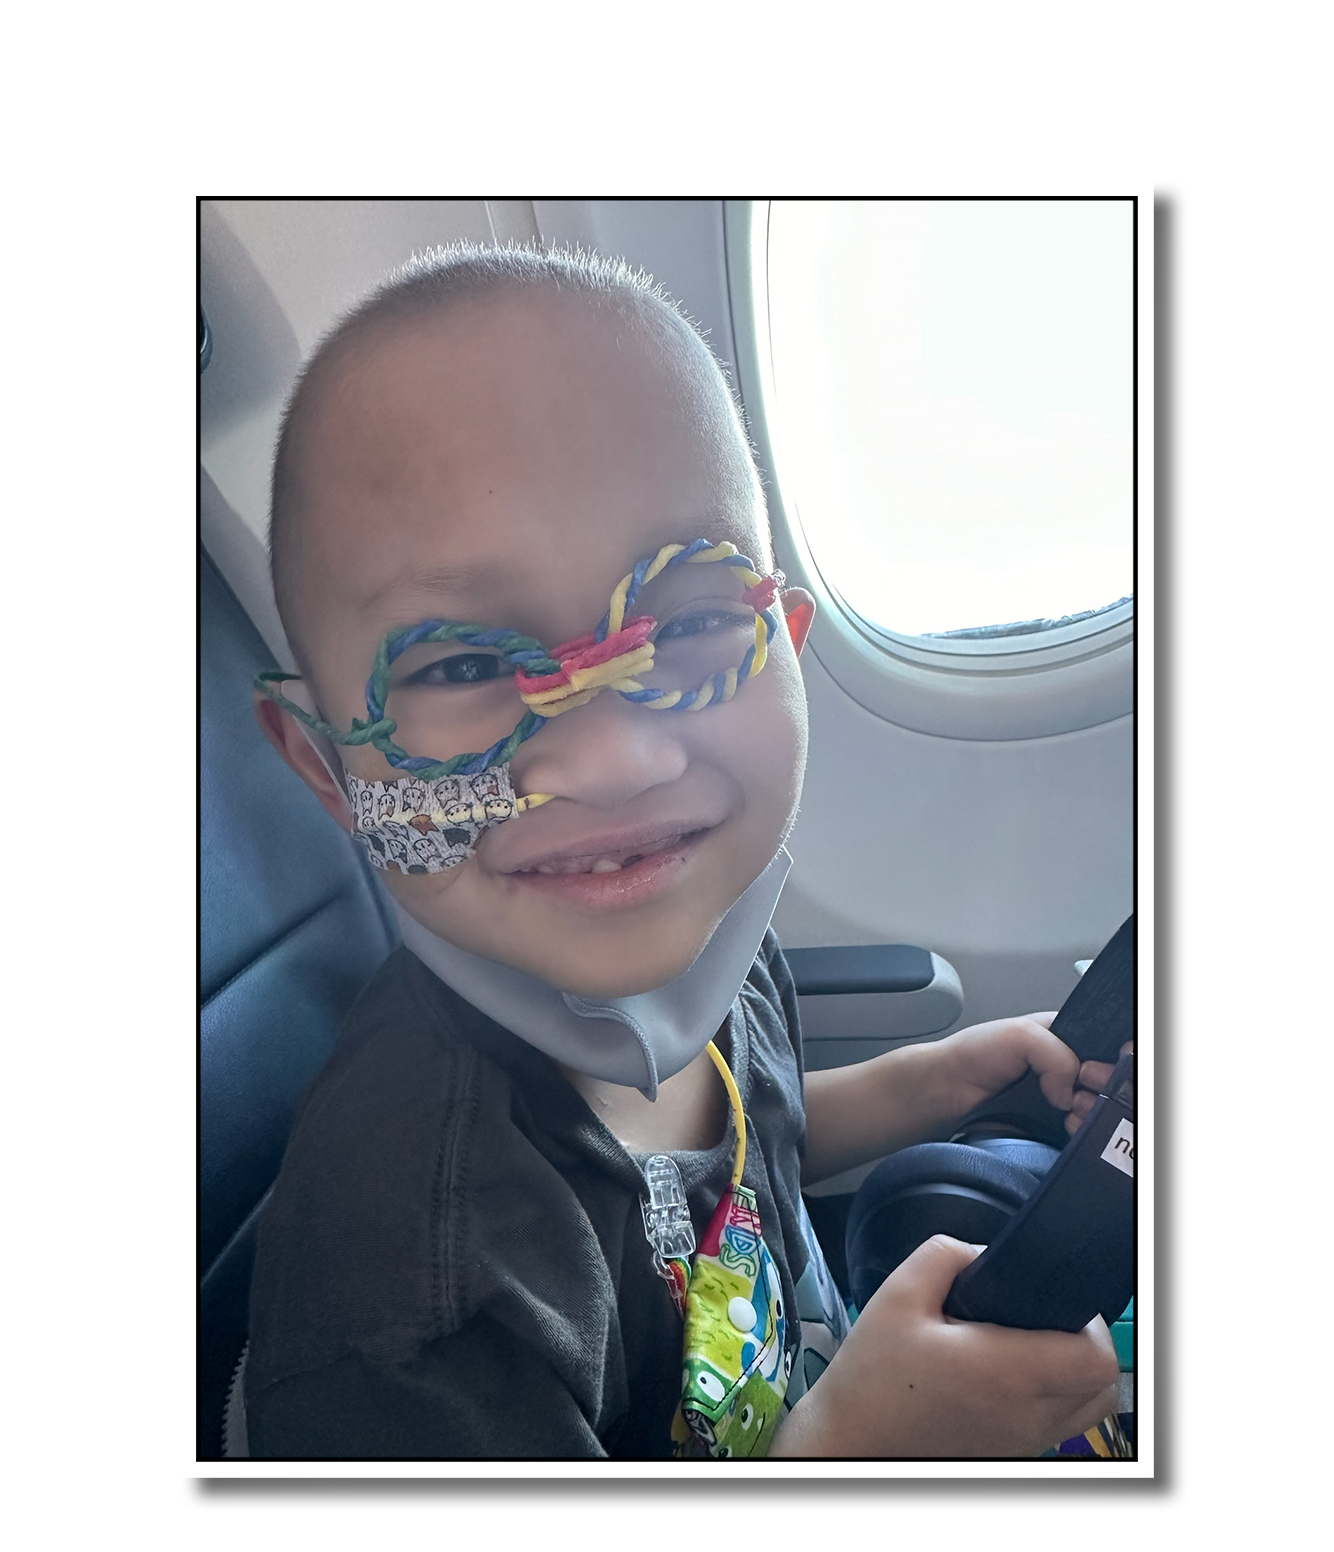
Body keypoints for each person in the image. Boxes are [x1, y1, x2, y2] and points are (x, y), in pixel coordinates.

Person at [244, 243, 1120, 1458]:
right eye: (459, 665)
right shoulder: (412, 1290)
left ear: (786, 642)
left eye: (698, 617)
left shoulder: (710, 931)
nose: (613, 761)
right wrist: (849, 1453)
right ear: (325, 766)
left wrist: (929, 1082)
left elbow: (740, 1134)